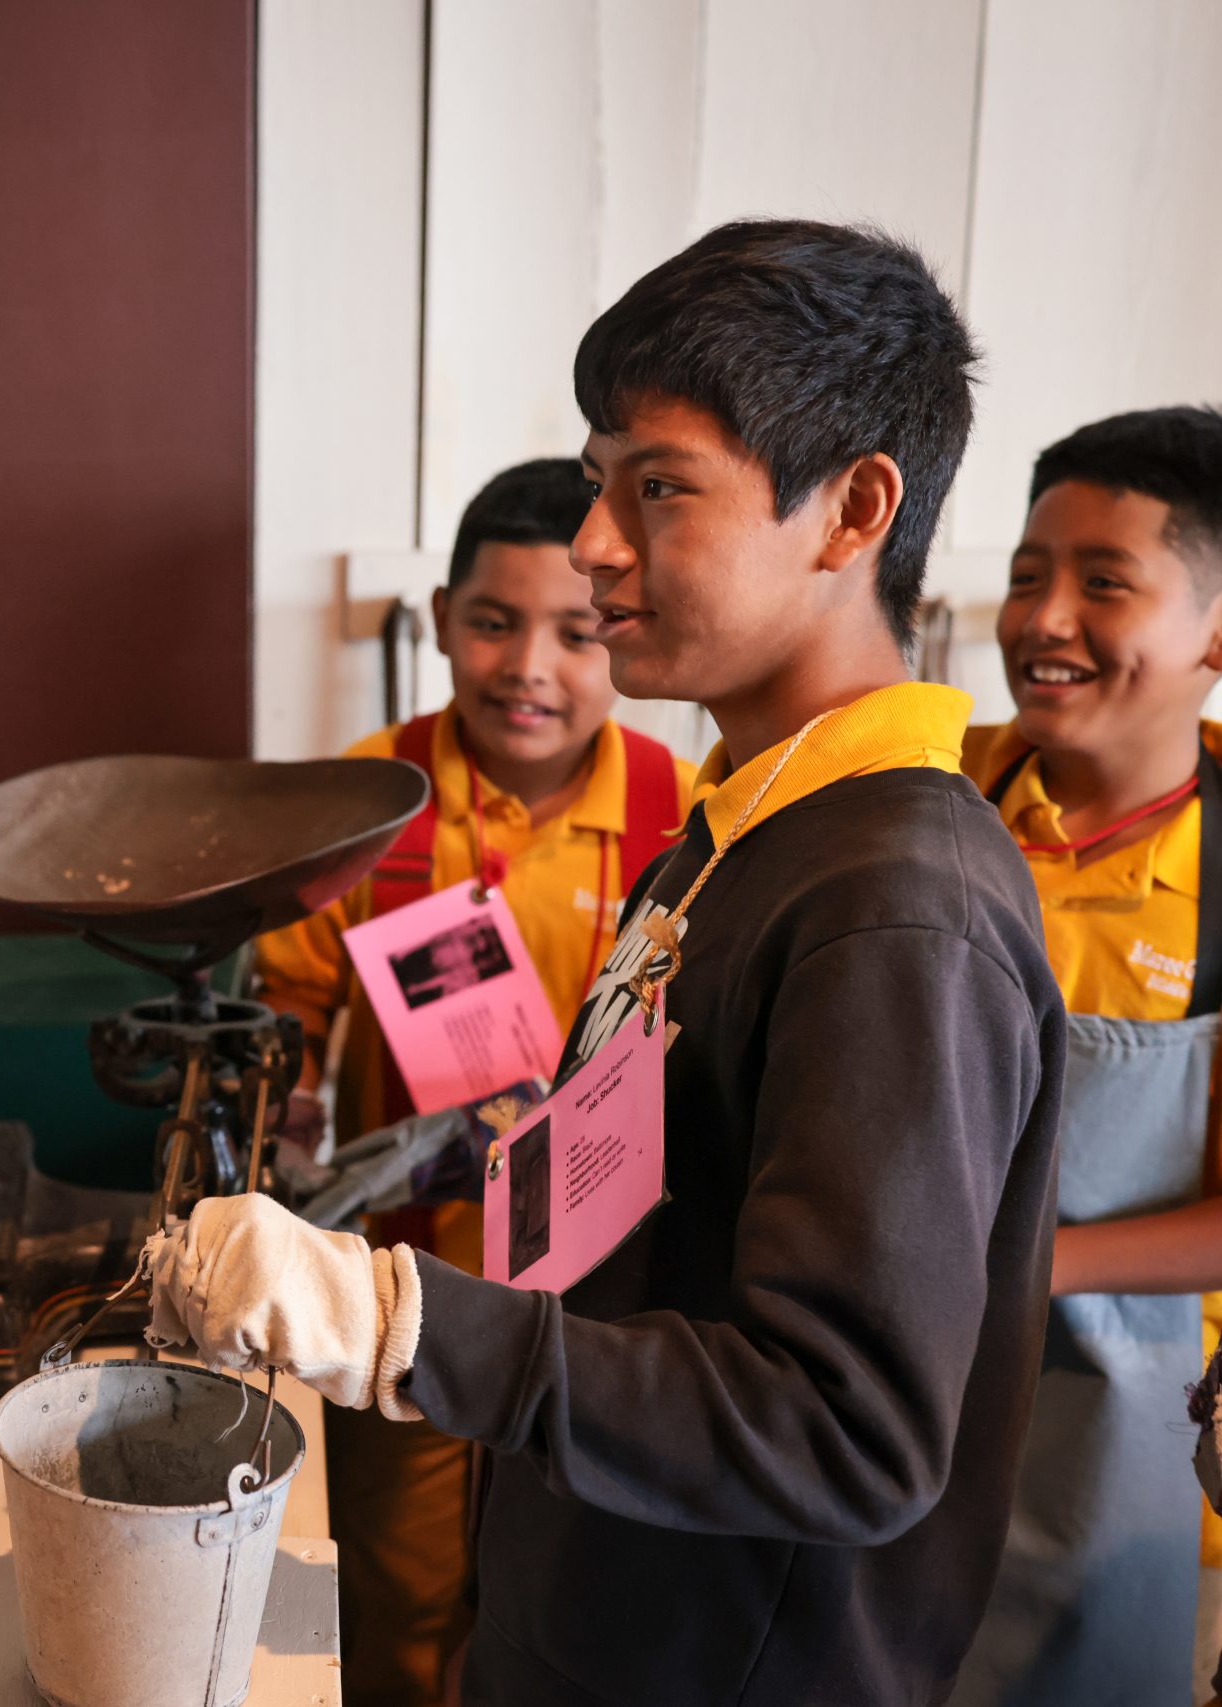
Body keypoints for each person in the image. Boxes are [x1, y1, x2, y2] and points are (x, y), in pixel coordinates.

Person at [149, 220, 1063, 1706]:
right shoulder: (732, 832)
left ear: (852, 512)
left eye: (661, 488)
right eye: (598, 482)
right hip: (594, 1603)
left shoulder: (896, 904)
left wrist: (402, 1321)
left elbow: (848, 1426)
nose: (594, 542)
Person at [248, 457, 691, 1707]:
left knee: (584, 1597)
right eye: (492, 623)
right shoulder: (367, 798)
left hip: (613, 1317)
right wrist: (283, 1101)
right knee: (394, 1595)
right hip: (405, 1305)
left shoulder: (683, 812)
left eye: (575, 629)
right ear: (442, 618)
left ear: (625, 629)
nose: (528, 667)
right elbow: (291, 993)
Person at [952, 406, 1222, 1706]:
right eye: (1024, 573)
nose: (1043, 617)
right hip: (903, 1383)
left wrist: (1020, 1266)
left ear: (1215, 635)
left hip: (1120, 1441)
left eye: (1103, 581)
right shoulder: (937, 799)